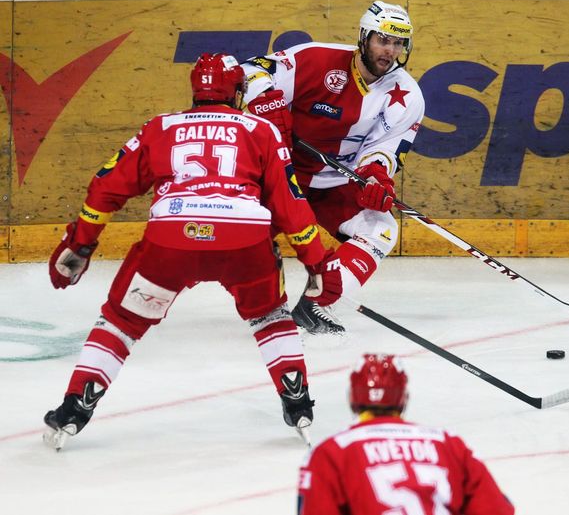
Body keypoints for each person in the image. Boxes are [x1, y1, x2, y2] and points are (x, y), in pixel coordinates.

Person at [42, 53, 343, 451]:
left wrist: (81, 241)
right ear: (237, 92)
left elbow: (105, 187)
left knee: (122, 321)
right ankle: (297, 401)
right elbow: (290, 203)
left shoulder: (161, 126)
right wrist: (314, 259)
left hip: (171, 238)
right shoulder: (261, 129)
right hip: (244, 239)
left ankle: (77, 405)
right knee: (269, 316)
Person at [241, 0, 426, 335]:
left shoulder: (407, 95)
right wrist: (265, 101)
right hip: (277, 178)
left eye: (398, 43)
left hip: (332, 184)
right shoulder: (315, 58)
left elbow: (384, 149)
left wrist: (377, 176)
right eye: (383, 40)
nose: (390, 51)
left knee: (380, 228)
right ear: (365, 37)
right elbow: (247, 70)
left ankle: (315, 303)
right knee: (236, 249)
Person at [297, 354, 516, 515]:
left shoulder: (331, 451)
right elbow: (497, 509)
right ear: (404, 398)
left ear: (352, 398)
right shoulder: (448, 443)